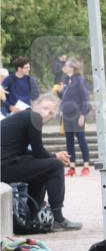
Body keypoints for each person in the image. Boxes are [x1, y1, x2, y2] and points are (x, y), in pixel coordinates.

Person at [0, 93, 82, 230]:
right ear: (34, 105)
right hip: (5, 165)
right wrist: (56, 157)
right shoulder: (33, 116)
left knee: (42, 169)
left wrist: (54, 155)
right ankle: (58, 219)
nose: (47, 114)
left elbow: (27, 153)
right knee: (55, 166)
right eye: (45, 108)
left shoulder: (23, 117)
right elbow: (39, 151)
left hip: (7, 164)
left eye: (51, 112)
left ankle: (32, 217)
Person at [59, 59, 92, 177]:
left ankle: (86, 167)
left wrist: (83, 115)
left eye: (66, 65)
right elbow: (66, 97)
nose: (64, 66)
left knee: (81, 140)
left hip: (77, 115)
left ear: (72, 67)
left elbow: (85, 99)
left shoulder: (79, 80)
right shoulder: (67, 79)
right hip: (66, 115)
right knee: (69, 142)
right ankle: (72, 167)